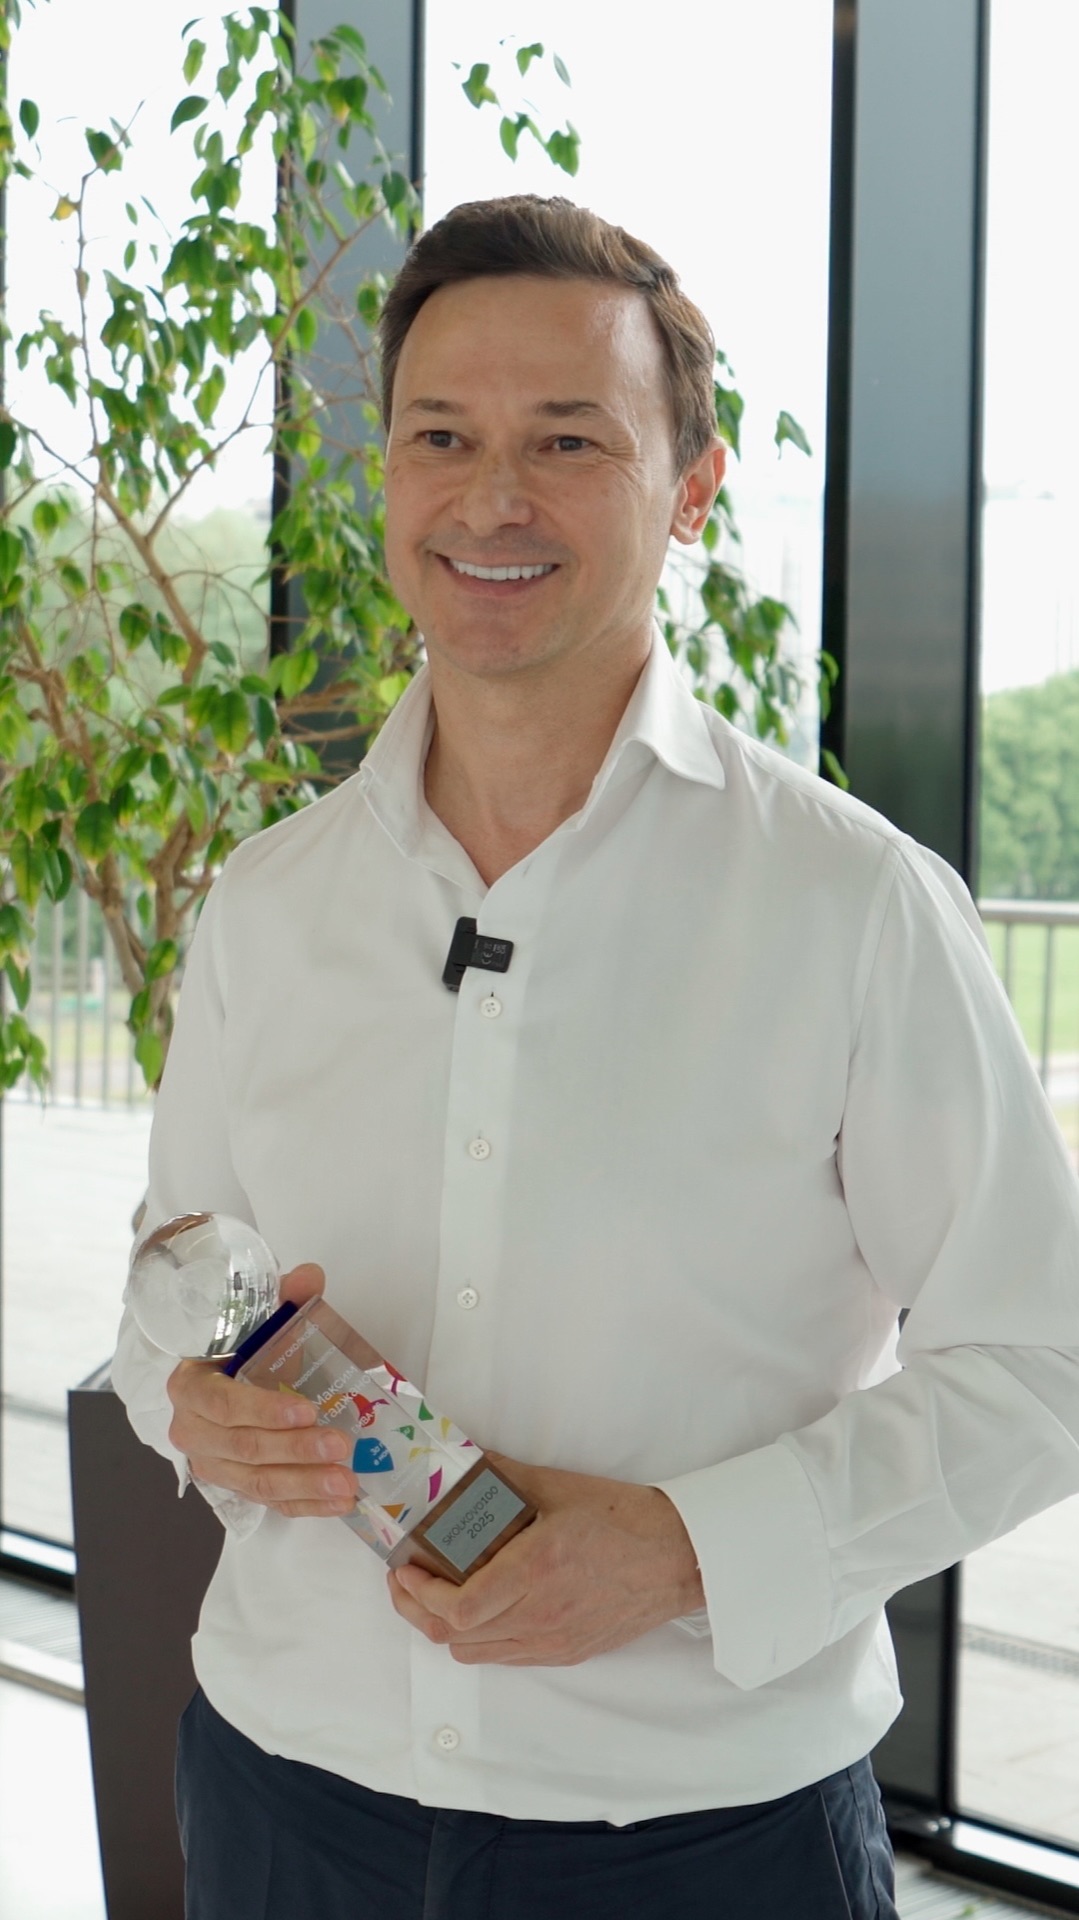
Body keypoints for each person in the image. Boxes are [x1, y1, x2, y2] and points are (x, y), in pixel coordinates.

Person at [112, 195, 1079, 1920]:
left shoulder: (853, 907)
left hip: (707, 1849)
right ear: (386, 480)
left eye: (568, 441)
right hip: (280, 1807)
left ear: (691, 491)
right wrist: (190, 1406)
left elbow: (1043, 1362)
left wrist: (690, 1553)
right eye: (442, 438)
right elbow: (173, 1278)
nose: (493, 497)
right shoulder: (269, 904)